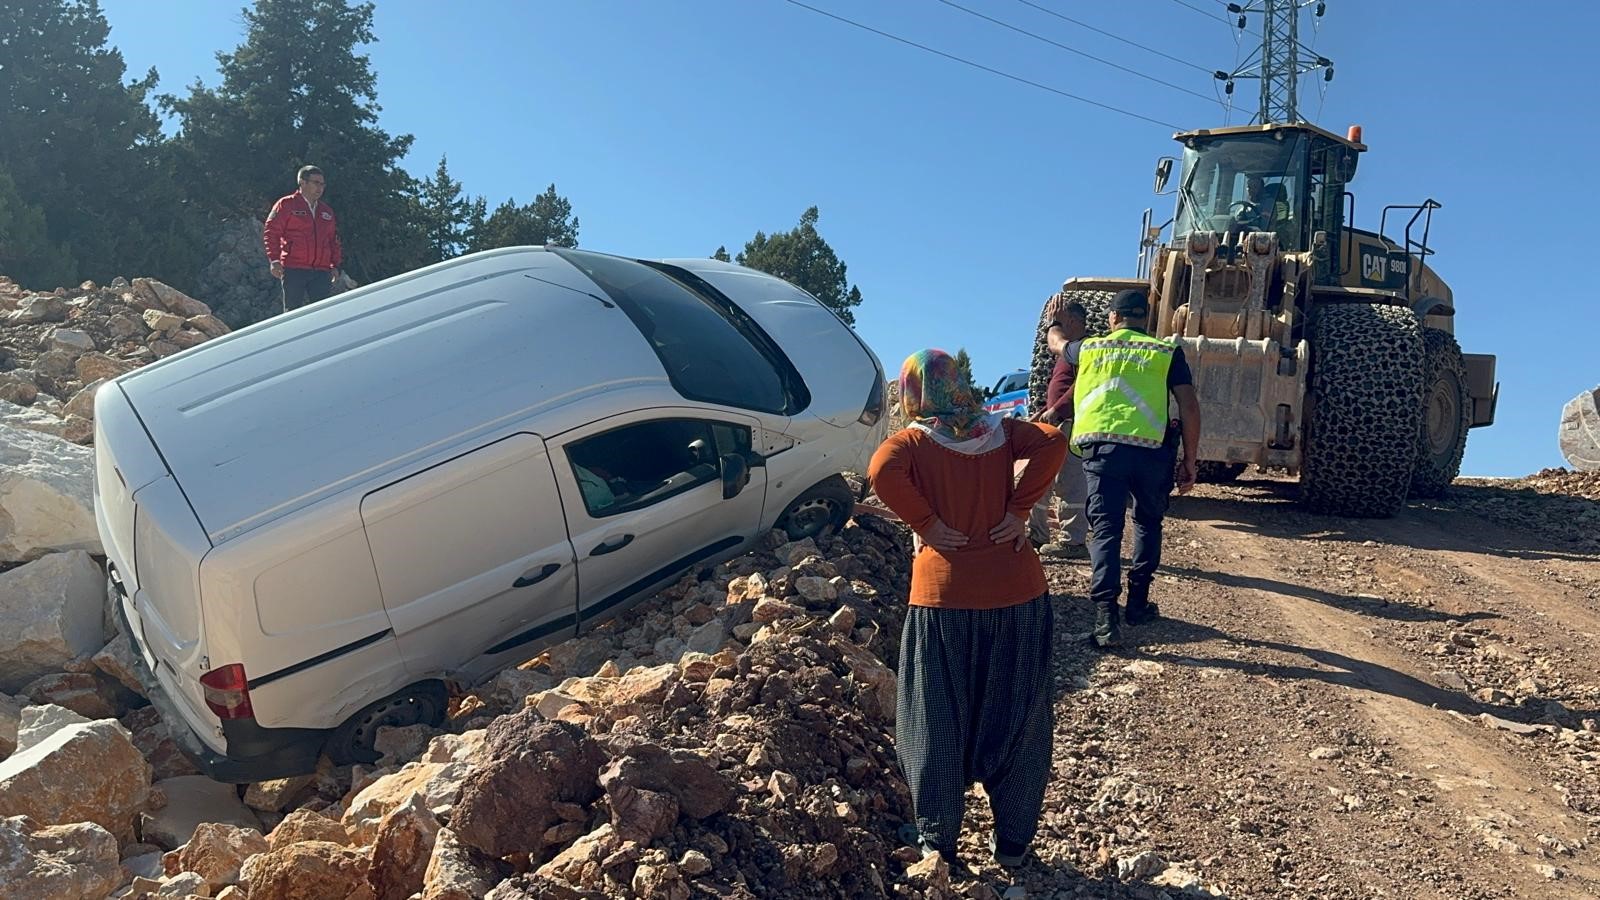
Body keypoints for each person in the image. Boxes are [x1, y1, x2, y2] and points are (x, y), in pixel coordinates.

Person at [867, 348, 1066, 869]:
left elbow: (879, 470)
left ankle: (940, 843)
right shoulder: (999, 432)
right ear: (959, 386)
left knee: (935, 719)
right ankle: (1015, 844)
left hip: (942, 600)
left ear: (913, 393)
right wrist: (1018, 510)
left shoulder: (911, 442)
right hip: (1018, 594)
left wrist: (927, 525)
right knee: (1020, 718)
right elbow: (1053, 441)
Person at [1071, 289, 1201, 649]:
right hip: (1151, 454)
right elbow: (1189, 405)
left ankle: (1105, 621)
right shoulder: (1165, 352)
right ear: (1146, 318)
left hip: (1104, 452)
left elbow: (1057, 345)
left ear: (1112, 318)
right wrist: (1189, 459)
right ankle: (1138, 604)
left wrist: (1056, 323)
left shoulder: (1091, 349)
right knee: (1147, 522)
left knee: (1107, 531)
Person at [1027, 300, 1089, 558]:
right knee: (1041, 478)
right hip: (1058, 421)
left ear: (1073, 322)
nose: (1056, 328)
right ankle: (1037, 535)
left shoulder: (1084, 349)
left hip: (1071, 423)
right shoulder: (1070, 352)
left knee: (1069, 482)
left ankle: (1072, 541)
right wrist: (1045, 412)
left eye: (1060, 322)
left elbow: (1083, 384)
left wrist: (1059, 410)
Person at [264, 165, 342, 313]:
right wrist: (274, 260)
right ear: (302, 183)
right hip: (294, 268)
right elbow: (271, 232)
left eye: (322, 184)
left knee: (323, 313)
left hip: (321, 271)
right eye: (316, 183)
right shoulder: (286, 204)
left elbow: (333, 240)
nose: (320, 188)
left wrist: (335, 265)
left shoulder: (326, 211)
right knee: (293, 313)